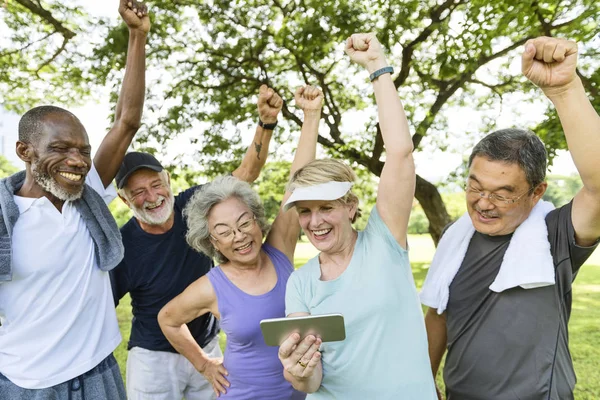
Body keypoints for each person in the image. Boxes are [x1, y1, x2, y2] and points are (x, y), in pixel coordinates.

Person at [420, 36, 600, 400]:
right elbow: (438, 314)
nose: (484, 203)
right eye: (475, 187)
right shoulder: (458, 236)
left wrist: (565, 89)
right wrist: (422, 384)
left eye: (503, 193)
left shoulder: (554, 237)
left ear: (537, 192)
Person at [0, 1, 149, 398]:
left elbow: (126, 121)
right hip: (28, 384)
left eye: (83, 151)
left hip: (97, 373)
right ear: (25, 151)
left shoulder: (88, 199)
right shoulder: (4, 219)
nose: (77, 161)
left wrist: (137, 35)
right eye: (61, 148)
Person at [277, 34, 438, 399]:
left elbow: (399, 153)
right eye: (305, 211)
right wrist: (298, 372)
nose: (314, 221)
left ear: (350, 206)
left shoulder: (385, 239)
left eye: (326, 207)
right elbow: (312, 379)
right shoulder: (300, 284)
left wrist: (376, 66)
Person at [110, 84, 283, 399]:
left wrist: (266, 123)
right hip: (154, 358)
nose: (152, 197)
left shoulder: (194, 204)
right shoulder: (122, 246)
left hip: (208, 345)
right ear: (124, 200)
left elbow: (246, 173)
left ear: (168, 182)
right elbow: (101, 306)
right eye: (138, 192)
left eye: (156, 184)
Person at [158, 85, 323, 399]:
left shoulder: (279, 251)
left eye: (244, 222)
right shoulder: (212, 286)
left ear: (258, 221)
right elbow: (168, 319)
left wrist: (311, 115)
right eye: (224, 231)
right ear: (214, 243)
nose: (239, 236)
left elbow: (297, 182)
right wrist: (204, 364)